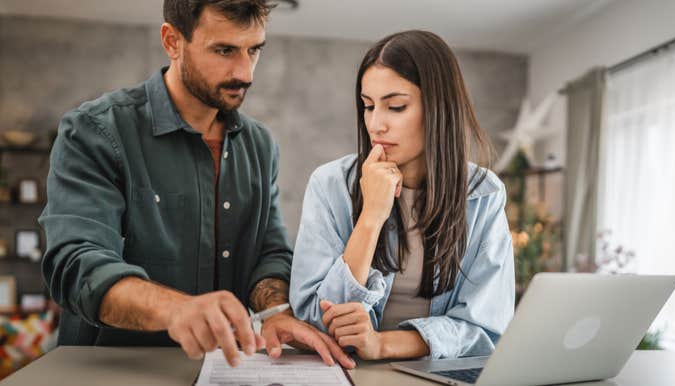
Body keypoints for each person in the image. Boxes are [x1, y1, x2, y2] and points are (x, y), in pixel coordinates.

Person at [39, 0, 354, 369]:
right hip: (112, 370)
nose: (245, 72)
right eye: (224, 50)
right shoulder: (96, 132)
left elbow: (269, 253)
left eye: (254, 50)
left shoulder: (260, 145)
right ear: (172, 41)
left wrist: (276, 312)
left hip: (227, 370)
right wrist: (177, 309)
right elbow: (78, 266)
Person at [289, 30, 515, 360]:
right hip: (348, 372)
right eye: (367, 106)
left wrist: (382, 344)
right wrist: (371, 217)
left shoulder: (483, 194)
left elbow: (485, 328)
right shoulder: (330, 184)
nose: (375, 124)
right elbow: (316, 318)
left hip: (431, 373)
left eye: (395, 106)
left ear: (440, 108)